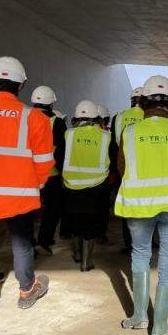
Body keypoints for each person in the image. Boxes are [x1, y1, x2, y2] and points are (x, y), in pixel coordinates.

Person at [116, 75, 168, 335]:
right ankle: (160, 325)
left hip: (138, 206)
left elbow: (121, 168)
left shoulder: (129, 132)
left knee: (140, 254)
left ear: (142, 102)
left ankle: (139, 316)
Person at [0, 56, 52, 308]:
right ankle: (26, 290)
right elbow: (43, 162)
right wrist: (35, 185)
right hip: (19, 194)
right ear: (20, 86)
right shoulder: (34, 118)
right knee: (21, 244)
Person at [61, 100, 111, 272]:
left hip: (71, 184)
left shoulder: (69, 134)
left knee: (75, 221)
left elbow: (60, 156)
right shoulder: (106, 136)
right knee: (90, 223)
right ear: (96, 117)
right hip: (96, 186)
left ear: (76, 117)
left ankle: (76, 255)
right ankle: (86, 262)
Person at [31, 86, 67, 254]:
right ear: (51, 104)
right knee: (53, 209)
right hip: (50, 174)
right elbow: (61, 151)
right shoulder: (57, 122)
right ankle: (44, 239)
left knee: (29, 210)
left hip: (28, 174)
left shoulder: (25, 117)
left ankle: (29, 242)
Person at [110, 87, 144, 253]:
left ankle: (128, 243)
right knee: (146, 206)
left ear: (131, 100)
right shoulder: (149, 117)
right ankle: (146, 241)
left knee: (127, 205)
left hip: (123, 168)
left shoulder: (118, 117)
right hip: (145, 168)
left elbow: (113, 145)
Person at [95, 103, 113, 244]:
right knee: (102, 209)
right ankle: (100, 234)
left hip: (81, 178)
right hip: (104, 177)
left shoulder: (74, 133)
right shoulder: (108, 135)